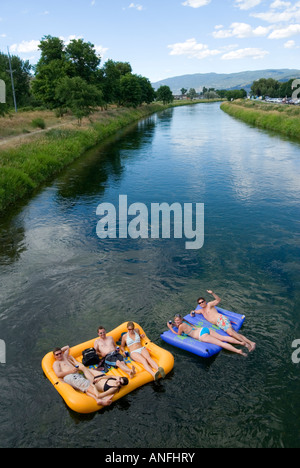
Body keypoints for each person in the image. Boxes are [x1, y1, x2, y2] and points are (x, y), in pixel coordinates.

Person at [191, 290, 256, 352]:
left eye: (202, 301)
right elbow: (193, 312)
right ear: (199, 304)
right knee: (234, 334)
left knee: (230, 333)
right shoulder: (201, 311)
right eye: (200, 303)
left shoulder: (209, 305)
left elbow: (218, 300)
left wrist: (212, 293)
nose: (201, 303)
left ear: (205, 301)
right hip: (219, 324)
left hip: (221, 319)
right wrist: (192, 312)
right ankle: (251, 342)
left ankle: (246, 344)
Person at [167, 314, 248, 356]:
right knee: (223, 337)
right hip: (204, 329)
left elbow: (178, 334)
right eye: (176, 321)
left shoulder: (180, 326)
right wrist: (174, 325)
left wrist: (170, 328)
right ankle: (241, 343)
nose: (177, 322)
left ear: (181, 319)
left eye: (178, 320)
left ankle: (238, 351)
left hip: (201, 335)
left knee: (221, 343)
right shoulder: (185, 322)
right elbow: (182, 326)